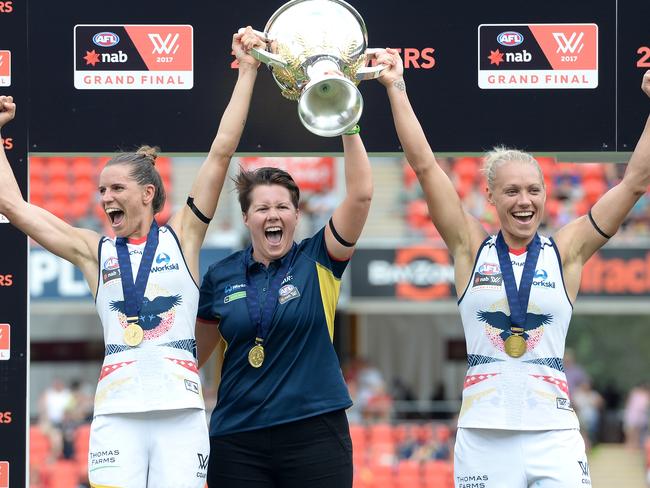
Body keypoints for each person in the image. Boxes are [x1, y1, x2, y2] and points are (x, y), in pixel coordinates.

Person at [0, 27, 261, 488]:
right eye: (101, 190)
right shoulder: (92, 251)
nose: (105, 199)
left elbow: (221, 152)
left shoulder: (183, 236)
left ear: (147, 192)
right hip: (116, 413)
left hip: (182, 413)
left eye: (115, 188)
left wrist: (248, 70)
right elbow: (14, 207)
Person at [376, 50, 650, 487]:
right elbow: (425, 166)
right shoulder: (469, 246)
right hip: (484, 436)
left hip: (555, 436)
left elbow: (635, 182)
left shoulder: (567, 250)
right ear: (491, 197)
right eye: (512, 191)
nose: (525, 201)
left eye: (534, 190)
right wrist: (396, 87)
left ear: (545, 194)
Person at [195, 105, 373, 486]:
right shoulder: (220, 275)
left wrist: (347, 123)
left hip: (315, 433)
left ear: (296, 214)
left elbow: (360, 196)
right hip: (237, 438)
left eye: (282, 207)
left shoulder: (319, 259)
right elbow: (192, 356)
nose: (272, 215)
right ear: (246, 218)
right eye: (262, 208)